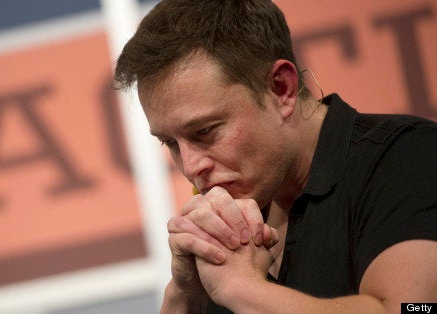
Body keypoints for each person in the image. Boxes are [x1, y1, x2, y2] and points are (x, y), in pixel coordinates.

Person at [113, 0, 437, 313]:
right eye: (169, 142)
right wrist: (184, 297)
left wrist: (243, 291)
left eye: (205, 132)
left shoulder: (410, 155)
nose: (191, 167)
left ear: (281, 89)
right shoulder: (225, 218)